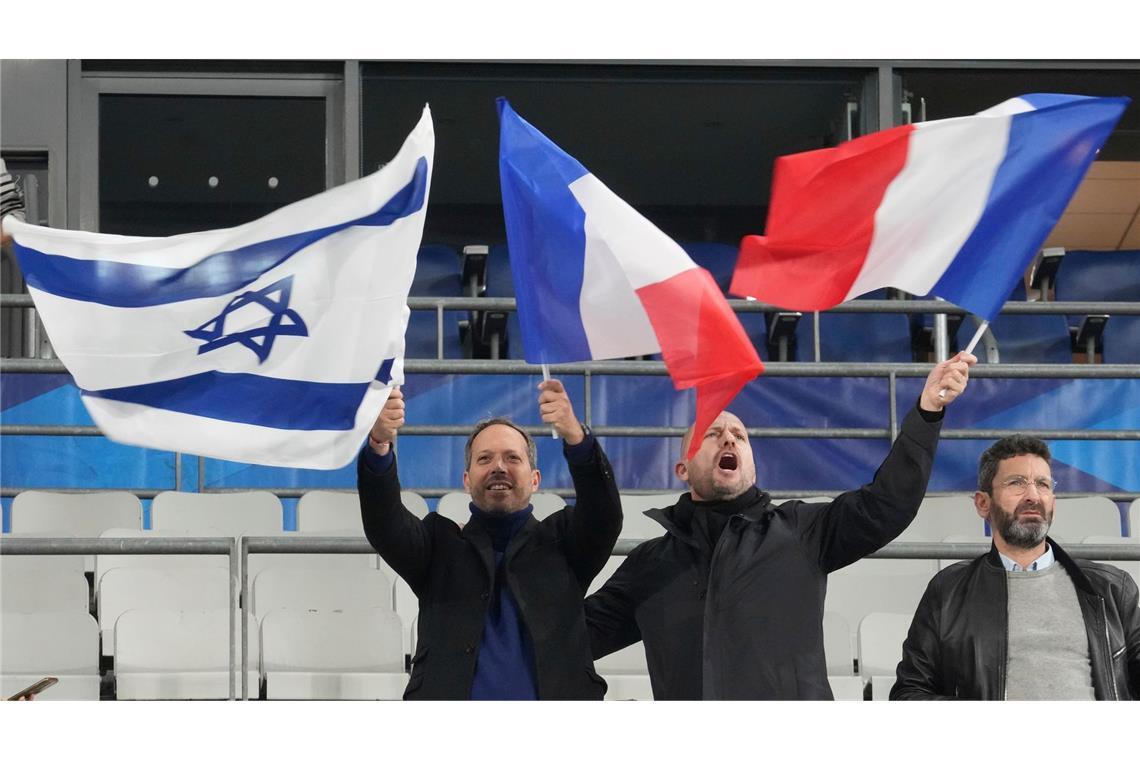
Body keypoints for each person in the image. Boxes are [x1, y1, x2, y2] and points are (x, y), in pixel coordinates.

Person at [584, 351, 976, 699]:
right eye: (712, 434)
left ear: (752, 467)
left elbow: (888, 504)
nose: (729, 441)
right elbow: (571, 637)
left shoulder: (801, 528)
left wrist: (927, 413)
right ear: (682, 469)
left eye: (739, 436)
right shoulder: (649, 564)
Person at [358, 379, 622, 699]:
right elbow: (385, 524)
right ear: (467, 480)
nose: (498, 467)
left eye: (513, 458)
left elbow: (604, 516)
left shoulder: (564, 543)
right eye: (485, 459)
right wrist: (379, 445)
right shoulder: (437, 545)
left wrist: (577, 439)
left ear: (535, 479)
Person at [891, 434, 1140, 700]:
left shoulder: (1112, 588)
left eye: (1043, 484)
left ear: (1053, 502)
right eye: (1017, 483)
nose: (1033, 495)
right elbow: (909, 694)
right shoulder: (949, 590)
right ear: (983, 503)